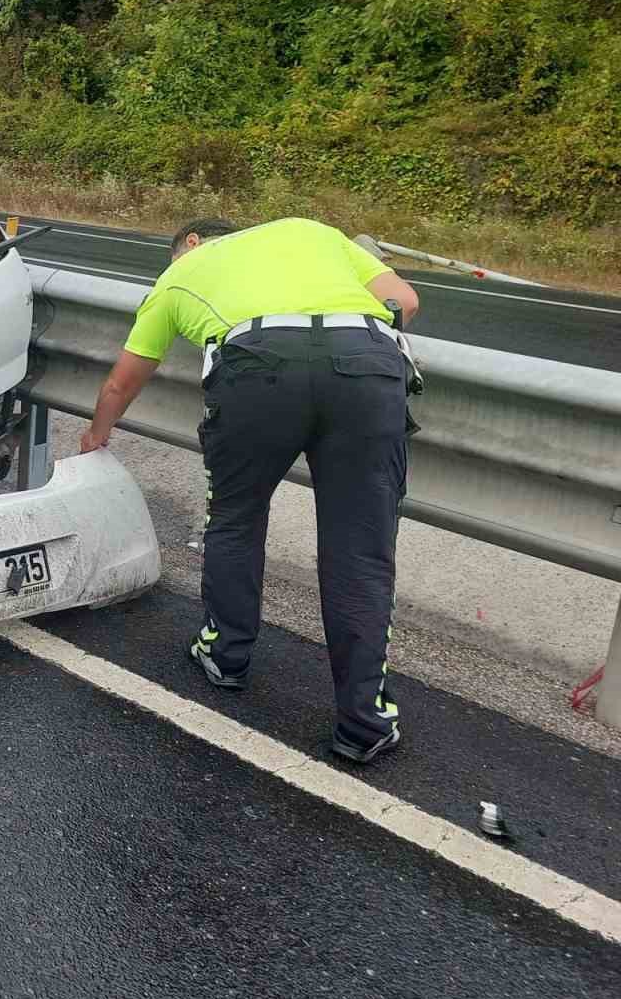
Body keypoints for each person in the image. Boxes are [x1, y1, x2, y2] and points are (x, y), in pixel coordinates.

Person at [79, 217, 421, 764]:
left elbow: (122, 380)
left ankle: (226, 654)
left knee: (235, 519)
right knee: (360, 551)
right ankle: (366, 720)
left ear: (189, 244)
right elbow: (405, 300)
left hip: (257, 365)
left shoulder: (179, 274)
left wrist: (97, 434)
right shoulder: (308, 230)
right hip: (367, 365)